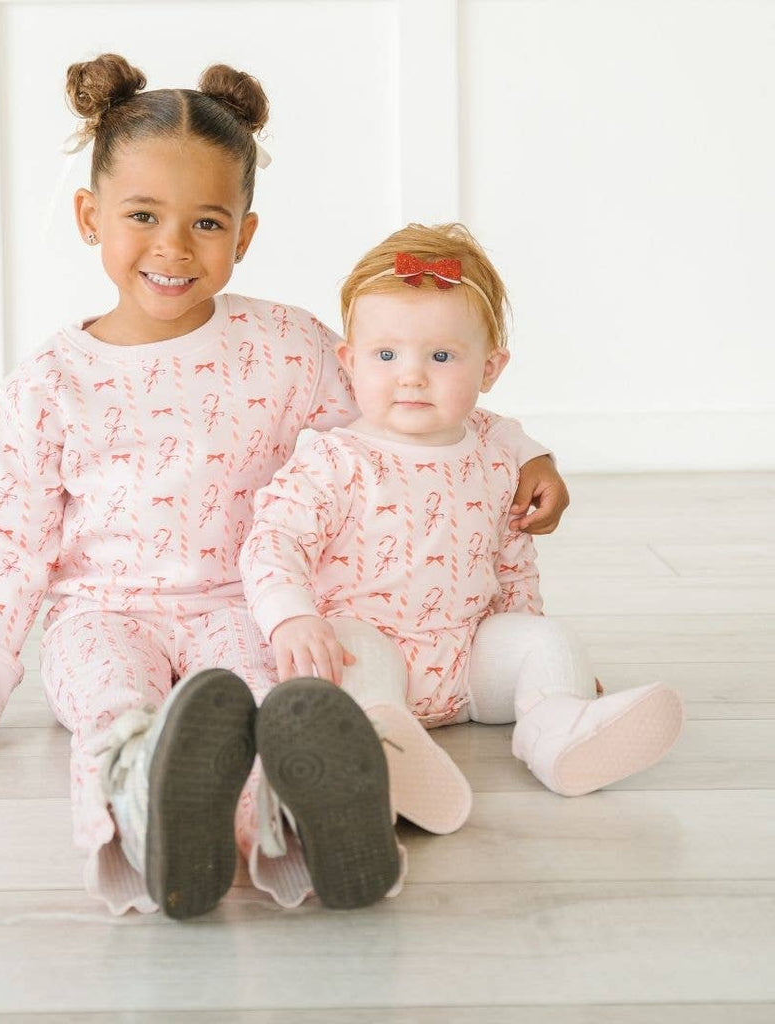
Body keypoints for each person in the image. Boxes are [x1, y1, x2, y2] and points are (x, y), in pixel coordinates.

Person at [0, 56, 569, 919]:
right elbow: (16, 544)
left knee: (262, 714)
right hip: (101, 611)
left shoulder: (291, 345)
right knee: (115, 708)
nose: (172, 247)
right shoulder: (48, 384)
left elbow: (408, 413)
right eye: (142, 216)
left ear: (244, 234)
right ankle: (146, 820)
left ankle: (287, 832)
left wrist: (525, 451)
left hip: (244, 601)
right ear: (91, 218)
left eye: (206, 222)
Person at [240, 222, 684, 822]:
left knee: (550, 642)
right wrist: (290, 617)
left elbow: (514, 565)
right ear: (350, 362)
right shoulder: (333, 458)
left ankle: (558, 728)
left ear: (490, 369)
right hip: (372, 641)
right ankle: (384, 747)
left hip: (469, 656)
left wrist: (543, 662)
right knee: (351, 658)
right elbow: (273, 540)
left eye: (442, 356)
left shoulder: (497, 458)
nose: (412, 374)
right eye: (386, 354)